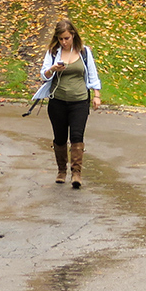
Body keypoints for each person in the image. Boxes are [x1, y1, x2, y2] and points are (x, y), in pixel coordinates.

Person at [37, 18, 101, 188]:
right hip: (57, 102)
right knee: (59, 138)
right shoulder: (53, 53)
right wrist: (52, 69)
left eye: (67, 38)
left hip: (79, 102)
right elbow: (44, 75)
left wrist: (96, 95)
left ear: (73, 35)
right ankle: (61, 171)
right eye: (61, 39)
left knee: (76, 136)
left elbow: (92, 74)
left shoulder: (84, 52)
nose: (64, 42)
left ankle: (76, 173)